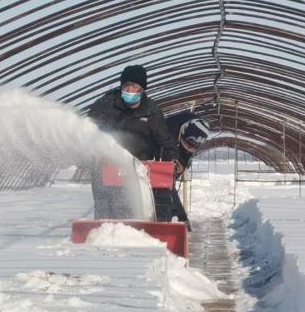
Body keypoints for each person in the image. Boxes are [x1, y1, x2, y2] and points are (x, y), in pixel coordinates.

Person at [88, 65, 178, 219]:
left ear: (142, 89)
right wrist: (97, 151)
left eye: (134, 86)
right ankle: (104, 229)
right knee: (106, 212)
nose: (129, 90)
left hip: (139, 170)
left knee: (135, 210)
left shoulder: (151, 111)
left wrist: (172, 159)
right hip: (107, 169)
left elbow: (165, 140)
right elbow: (88, 130)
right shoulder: (106, 105)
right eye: (126, 85)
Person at [152, 110, 212, 224]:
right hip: (153, 156)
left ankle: (170, 219)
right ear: (182, 133)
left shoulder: (196, 128)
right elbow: (165, 180)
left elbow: (171, 182)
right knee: (160, 189)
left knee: (167, 188)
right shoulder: (164, 132)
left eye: (194, 147)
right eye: (188, 144)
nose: (189, 149)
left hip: (173, 161)